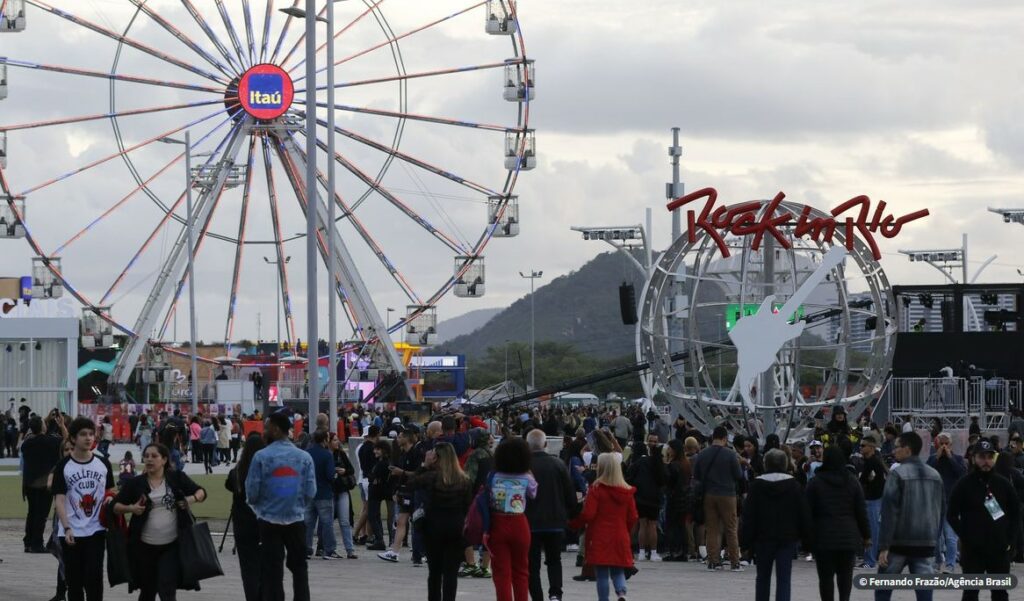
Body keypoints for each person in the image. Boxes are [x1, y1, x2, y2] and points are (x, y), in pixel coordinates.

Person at [113, 442, 207, 601]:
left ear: (164, 460)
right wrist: (131, 509)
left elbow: (201, 492)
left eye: (154, 456)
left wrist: (191, 499)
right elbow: (114, 506)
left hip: (171, 545)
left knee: (167, 588)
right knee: (148, 591)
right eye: (146, 456)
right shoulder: (135, 483)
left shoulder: (176, 478)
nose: (149, 459)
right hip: (144, 547)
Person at [245, 411, 317, 601]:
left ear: (275, 430)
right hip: (295, 518)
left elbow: (252, 492)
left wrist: (262, 505)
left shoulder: (261, 456)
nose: (265, 430)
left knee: (272, 570)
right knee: (300, 568)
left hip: (269, 519)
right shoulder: (304, 457)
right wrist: (299, 505)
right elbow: (311, 491)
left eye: (267, 427)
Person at [947, 440, 1021, 601]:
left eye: (989, 457)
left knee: (1000, 593)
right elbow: (951, 514)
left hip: (999, 550)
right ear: (974, 458)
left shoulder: (1004, 484)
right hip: (973, 552)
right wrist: (965, 535)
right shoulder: (964, 484)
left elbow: (1015, 514)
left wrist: (1010, 541)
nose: (986, 461)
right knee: (970, 593)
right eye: (982, 457)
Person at [875, 431, 945, 601]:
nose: (894, 451)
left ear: (907, 449)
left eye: (897, 447)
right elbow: (941, 511)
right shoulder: (935, 475)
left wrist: (884, 546)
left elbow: (889, 511)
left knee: (883, 589)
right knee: (924, 592)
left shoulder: (897, 474)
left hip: (899, 543)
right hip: (925, 543)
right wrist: (935, 541)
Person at [52, 417, 116, 601]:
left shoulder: (103, 464)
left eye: (91, 434)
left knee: (94, 577)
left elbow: (109, 492)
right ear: (72, 438)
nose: (88, 438)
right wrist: (66, 527)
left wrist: (112, 503)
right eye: (83, 434)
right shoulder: (63, 466)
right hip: (71, 531)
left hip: (96, 529)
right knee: (74, 581)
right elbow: (60, 500)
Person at [741, 449, 812, 601]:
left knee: (762, 577)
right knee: (784, 578)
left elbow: (748, 515)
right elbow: (803, 514)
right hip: (787, 538)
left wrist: (745, 541)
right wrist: (807, 541)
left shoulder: (756, 485)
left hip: (762, 537)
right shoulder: (794, 486)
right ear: (785, 463)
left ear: (766, 464)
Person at [569, 453, 638, 601]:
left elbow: (588, 514)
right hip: (620, 535)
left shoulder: (597, 489)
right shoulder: (627, 491)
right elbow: (633, 517)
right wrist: (626, 530)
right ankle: (621, 593)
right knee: (618, 570)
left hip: (600, 536)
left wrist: (574, 524)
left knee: (601, 574)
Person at [806, 445, 870, 601]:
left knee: (826, 579)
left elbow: (807, 512)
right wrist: (867, 535)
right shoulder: (853, 482)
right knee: (845, 579)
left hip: (823, 538)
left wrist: (807, 539)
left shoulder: (815, 483)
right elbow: (861, 511)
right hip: (848, 538)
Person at [412, 442, 473, 601]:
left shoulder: (431, 477)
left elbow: (411, 483)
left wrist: (424, 465)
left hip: (434, 525)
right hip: (456, 526)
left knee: (434, 573)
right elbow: (468, 506)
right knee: (451, 574)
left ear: (436, 458)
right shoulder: (464, 479)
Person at [525, 429, 575, 601]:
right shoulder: (558, 464)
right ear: (545, 444)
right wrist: (571, 514)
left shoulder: (523, 465)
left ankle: (537, 597)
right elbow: (570, 494)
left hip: (530, 523)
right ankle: (555, 594)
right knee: (554, 560)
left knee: (532, 565)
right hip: (555, 520)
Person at [487, 436, 538, 601]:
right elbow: (533, 493)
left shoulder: (493, 476)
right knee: (521, 570)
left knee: (501, 573)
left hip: (497, 522)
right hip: (519, 522)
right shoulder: (526, 477)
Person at [692, 425, 743, 571]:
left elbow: (697, 476)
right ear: (725, 438)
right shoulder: (730, 454)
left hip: (709, 494)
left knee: (712, 529)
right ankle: (735, 562)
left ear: (713, 437)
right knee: (731, 529)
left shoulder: (702, 454)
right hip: (728, 494)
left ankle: (713, 561)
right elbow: (738, 475)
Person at [226, 433, 265, 601]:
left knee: (248, 567)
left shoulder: (237, 471)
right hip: (263, 522)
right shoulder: (265, 469)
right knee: (265, 564)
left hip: (242, 523)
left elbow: (229, 486)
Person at [925, 432, 966, 573]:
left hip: (952, 502)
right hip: (935, 502)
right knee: (935, 537)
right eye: (941, 443)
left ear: (951, 445)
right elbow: (926, 473)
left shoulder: (958, 459)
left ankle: (950, 565)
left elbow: (962, 474)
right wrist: (937, 457)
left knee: (950, 537)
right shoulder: (932, 459)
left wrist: (949, 457)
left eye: (946, 443)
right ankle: (937, 563)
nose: (943, 446)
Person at [21, 415, 61, 553]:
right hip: (45, 483)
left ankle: (28, 542)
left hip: (29, 483)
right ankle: (37, 544)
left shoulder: (27, 443)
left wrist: (42, 421)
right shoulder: (51, 441)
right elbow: (66, 441)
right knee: (41, 514)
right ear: (43, 426)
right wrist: (61, 424)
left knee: (32, 512)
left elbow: (32, 433)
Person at [626, 438, 665, 561]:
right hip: (654, 497)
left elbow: (629, 477)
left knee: (642, 524)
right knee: (653, 525)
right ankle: (653, 552)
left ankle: (641, 552)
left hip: (640, 497)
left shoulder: (638, 462)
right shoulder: (656, 462)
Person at [304, 429, 338, 559]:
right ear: (324, 440)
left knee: (308, 523)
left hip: (309, 492)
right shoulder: (327, 455)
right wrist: (334, 474)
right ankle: (329, 549)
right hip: (324, 492)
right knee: (326, 522)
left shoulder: (307, 453)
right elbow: (330, 475)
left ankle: (306, 548)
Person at [663, 438, 693, 562]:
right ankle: (683, 551)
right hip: (684, 498)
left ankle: (673, 550)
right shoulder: (686, 463)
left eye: (670, 448)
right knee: (681, 526)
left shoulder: (673, 465)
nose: (668, 450)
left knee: (671, 525)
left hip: (674, 498)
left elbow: (668, 482)